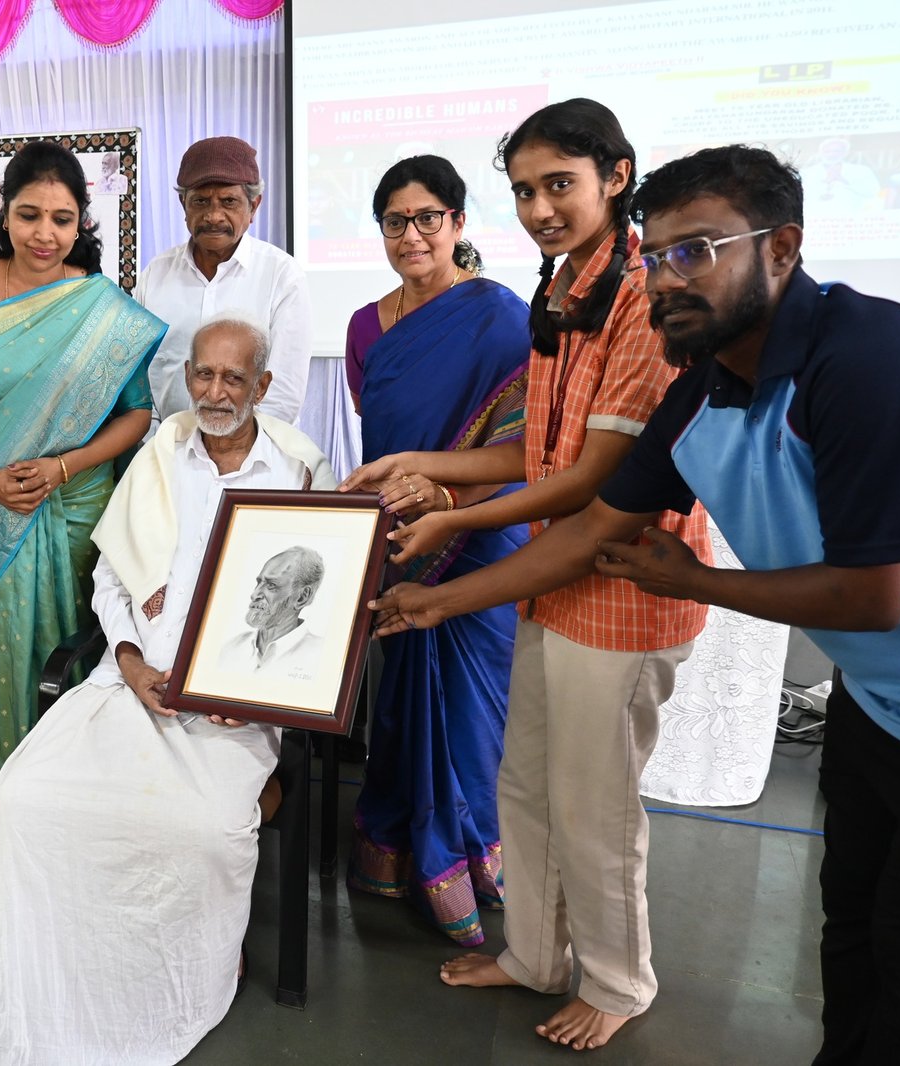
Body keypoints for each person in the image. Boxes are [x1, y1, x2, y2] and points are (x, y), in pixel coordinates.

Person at [555, 144, 900, 1065]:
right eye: (654, 257)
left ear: (781, 248)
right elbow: (596, 527)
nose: (667, 279)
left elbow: (875, 595)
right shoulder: (704, 388)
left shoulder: (873, 360)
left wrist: (695, 580)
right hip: (878, 704)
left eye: (696, 250)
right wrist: (435, 599)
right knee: (850, 927)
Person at [351, 100, 711, 1051]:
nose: (540, 209)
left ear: (617, 178)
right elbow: (534, 454)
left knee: (596, 806)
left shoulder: (643, 296)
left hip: (624, 583)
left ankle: (619, 982)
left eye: (560, 185)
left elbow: (594, 480)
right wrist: (417, 467)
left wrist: (451, 520)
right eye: (524, 191)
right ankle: (537, 957)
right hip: (552, 578)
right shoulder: (560, 294)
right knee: (526, 785)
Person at [0, 316, 335, 1066]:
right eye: (203, 374)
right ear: (187, 376)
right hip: (135, 678)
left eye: (234, 378)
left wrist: (254, 692)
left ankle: (184, 966)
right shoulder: (160, 454)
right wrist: (131, 661)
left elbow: (322, 607)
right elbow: (110, 577)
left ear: (263, 386)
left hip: (239, 699)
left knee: (200, 827)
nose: (215, 391)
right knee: (29, 793)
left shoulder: (301, 468)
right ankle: (67, 968)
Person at [0, 140, 166, 847]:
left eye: (62, 219)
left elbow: (137, 414)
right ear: (4, 212)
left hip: (76, 500)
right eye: (29, 214)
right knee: (1, 641)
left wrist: (64, 467)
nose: (44, 234)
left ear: (80, 221)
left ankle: (70, 810)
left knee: (74, 641)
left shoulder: (102, 306)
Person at [337, 155, 532, 945]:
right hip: (400, 537)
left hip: (483, 539)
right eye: (395, 221)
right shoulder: (364, 326)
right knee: (402, 699)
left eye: (427, 218)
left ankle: (470, 863)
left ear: (457, 222)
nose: (411, 235)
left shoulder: (502, 317)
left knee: (473, 715)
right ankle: (400, 855)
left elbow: (524, 446)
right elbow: (384, 437)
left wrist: (452, 506)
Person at [134, 136, 311, 429]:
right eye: (200, 201)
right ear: (183, 204)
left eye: (229, 202)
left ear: (254, 206)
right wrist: (161, 443)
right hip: (165, 448)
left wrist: (232, 451)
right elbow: (138, 380)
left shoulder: (282, 276)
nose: (213, 216)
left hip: (254, 451)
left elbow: (283, 394)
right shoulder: (155, 274)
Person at [220, 546, 327, 674]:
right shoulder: (230, 649)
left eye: (271, 585)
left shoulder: (321, 657)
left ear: (302, 597)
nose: (254, 595)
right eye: (259, 583)